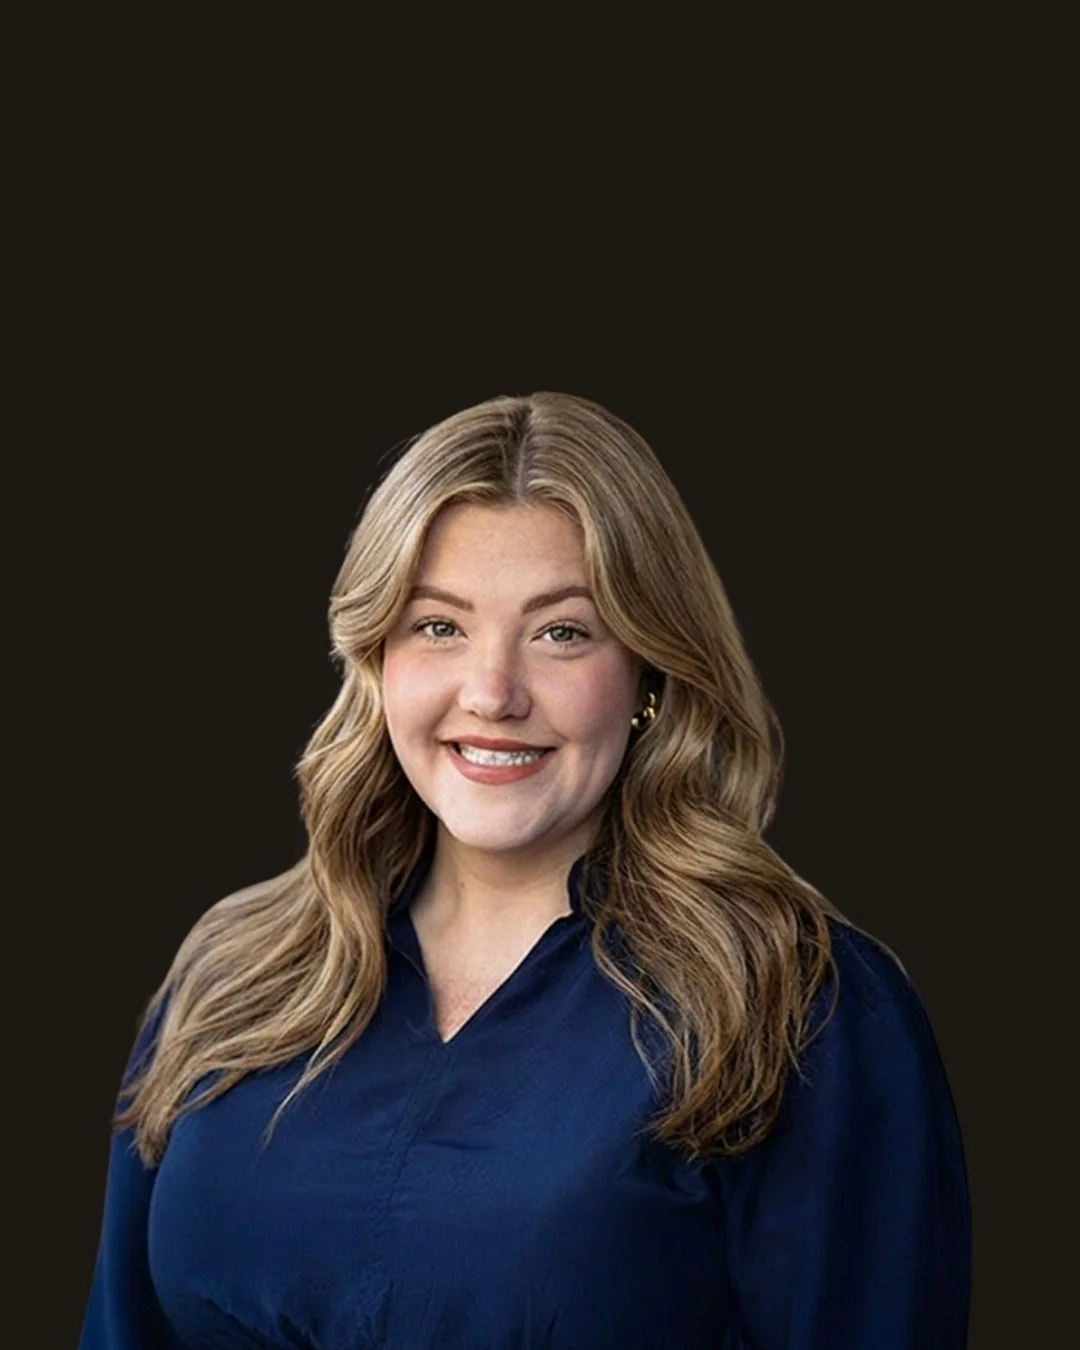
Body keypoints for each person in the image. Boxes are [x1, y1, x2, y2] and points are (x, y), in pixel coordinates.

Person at [80, 392, 971, 1349]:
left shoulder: (799, 1006)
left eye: (562, 632)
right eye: (438, 626)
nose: (492, 693)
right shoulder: (233, 975)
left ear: (651, 673)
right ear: (377, 658)